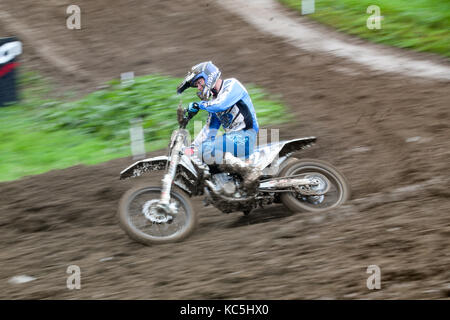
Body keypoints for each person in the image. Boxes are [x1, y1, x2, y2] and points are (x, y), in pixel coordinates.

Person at [176, 61, 261, 191]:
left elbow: (221, 104)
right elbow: (209, 131)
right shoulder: (213, 102)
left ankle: (249, 171)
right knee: (202, 155)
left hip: (246, 136)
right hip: (234, 138)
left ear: (209, 76)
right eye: (196, 85)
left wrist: (200, 105)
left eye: (199, 82)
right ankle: (229, 188)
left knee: (207, 150)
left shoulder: (232, 85)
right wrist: (190, 150)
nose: (198, 88)